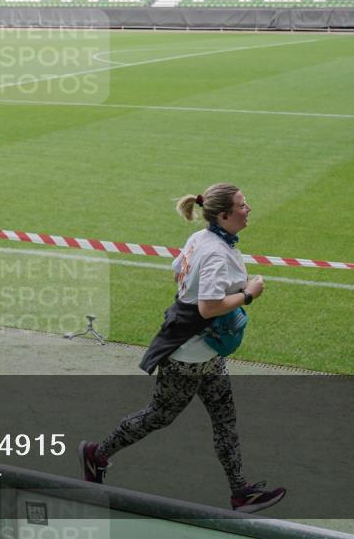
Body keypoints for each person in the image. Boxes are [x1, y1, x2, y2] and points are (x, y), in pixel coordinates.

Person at [78, 183, 285, 514]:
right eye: (243, 205)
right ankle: (97, 454)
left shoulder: (202, 239)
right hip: (188, 357)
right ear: (223, 215)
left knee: (225, 419)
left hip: (205, 353)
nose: (248, 210)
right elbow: (208, 307)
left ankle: (240, 493)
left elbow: (179, 272)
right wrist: (249, 293)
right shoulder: (216, 251)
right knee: (160, 415)